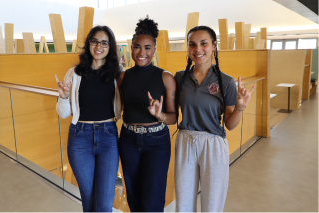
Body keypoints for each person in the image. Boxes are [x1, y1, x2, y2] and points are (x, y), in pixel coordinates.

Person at [174, 26, 255, 212]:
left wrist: (240, 108)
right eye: (192, 45)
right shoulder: (179, 78)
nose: (198, 49)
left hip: (213, 144)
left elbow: (230, 124)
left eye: (204, 44)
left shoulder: (225, 82)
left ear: (214, 46)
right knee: (183, 203)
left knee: (212, 204)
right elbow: (171, 113)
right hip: (185, 141)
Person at [55, 25, 122, 212]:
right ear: (88, 44)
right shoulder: (74, 73)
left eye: (104, 42)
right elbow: (63, 113)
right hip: (79, 137)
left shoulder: (117, 73)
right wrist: (62, 96)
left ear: (110, 47)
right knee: (89, 199)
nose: (98, 46)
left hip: (108, 136)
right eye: (94, 41)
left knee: (104, 202)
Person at [117, 16, 177, 212]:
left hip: (157, 142)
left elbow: (173, 117)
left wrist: (159, 115)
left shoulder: (165, 77)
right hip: (128, 139)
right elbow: (117, 109)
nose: (141, 52)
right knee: (133, 197)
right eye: (137, 47)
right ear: (131, 47)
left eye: (147, 47)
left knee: (152, 199)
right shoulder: (123, 76)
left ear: (154, 50)